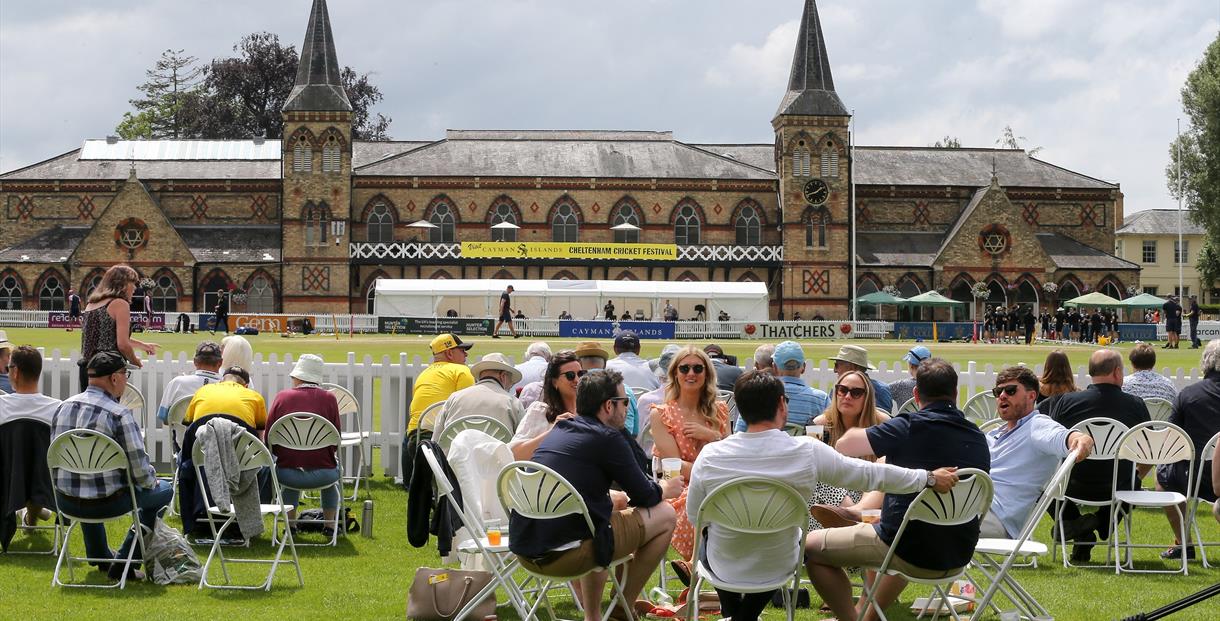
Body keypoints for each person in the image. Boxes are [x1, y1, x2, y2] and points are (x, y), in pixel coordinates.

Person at [688, 371, 957, 621]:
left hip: (725, 561)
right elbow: (870, 474)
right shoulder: (806, 450)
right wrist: (927, 477)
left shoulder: (711, 455)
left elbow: (695, 516)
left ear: (740, 408)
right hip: (781, 560)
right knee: (770, 548)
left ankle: (738, 614)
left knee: (710, 542)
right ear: (782, 405)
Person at [804, 358, 989, 621]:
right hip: (958, 552)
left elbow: (845, 445)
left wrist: (884, 429)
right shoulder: (977, 436)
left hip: (905, 548)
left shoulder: (907, 426)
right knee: (900, 526)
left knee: (811, 548)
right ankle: (868, 616)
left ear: (916, 394)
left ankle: (851, 618)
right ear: (956, 393)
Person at [508, 370, 682, 621]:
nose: (627, 408)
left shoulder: (563, 427)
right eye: (625, 402)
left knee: (610, 510)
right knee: (664, 515)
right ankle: (622, 608)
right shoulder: (607, 438)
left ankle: (595, 616)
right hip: (568, 554)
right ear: (609, 406)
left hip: (526, 550)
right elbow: (645, 496)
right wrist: (667, 488)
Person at [51, 351, 172, 582]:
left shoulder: (62, 407)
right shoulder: (119, 414)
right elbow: (141, 471)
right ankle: (125, 561)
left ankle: (100, 555)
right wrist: (152, 481)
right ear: (115, 378)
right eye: (126, 374)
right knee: (165, 490)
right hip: (109, 503)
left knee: (84, 478)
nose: (127, 380)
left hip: (66, 501)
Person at [1046, 349, 1151, 562]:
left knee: (1041, 482)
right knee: (1135, 482)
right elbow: (1148, 452)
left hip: (1071, 483)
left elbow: (1052, 441)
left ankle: (1076, 524)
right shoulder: (1135, 404)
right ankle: (1102, 522)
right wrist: (1137, 476)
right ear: (1117, 372)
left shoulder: (1066, 402)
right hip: (1118, 485)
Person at [980, 366, 1093, 540]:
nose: (1002, 395)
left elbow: (1062, 436)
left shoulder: (1036, 426)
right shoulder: (995, 434)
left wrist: (1079, 438)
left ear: (1032, 396)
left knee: (930, 522)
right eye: (998, 391)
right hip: (975, 506)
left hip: (996, 519)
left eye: (1010, 390)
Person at [651, 346, 729, 568]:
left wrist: (712, 435)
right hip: (677, 484)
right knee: (700, 500)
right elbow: (673, 465)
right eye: (684, 368)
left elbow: (731, 456)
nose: (691, 374)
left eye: (697, 368)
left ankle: (704, 565)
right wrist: (712, 469)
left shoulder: (720, 410)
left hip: (716, 481)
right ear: (675, 373)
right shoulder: (661, 414)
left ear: (707, 374)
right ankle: (699, 563)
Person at [1155, 339, 1220, 559]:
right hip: (1209, 476)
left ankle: (1184, 542)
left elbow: (1172, 438)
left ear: (1206, 362)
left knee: (1163, 477)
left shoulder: (1189, 394)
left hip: (1195, 477)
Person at [264, 354, 343, 534]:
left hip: (285, 474)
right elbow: (336, 438)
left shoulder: (282, 397)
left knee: (291, 472)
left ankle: (290, 526)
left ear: (298, 377)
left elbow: (269, 439)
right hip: (326, 474)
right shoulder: (329, 399)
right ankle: (330, 526)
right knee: (332, 478)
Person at [0, 345, 62, 532]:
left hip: (6, 480)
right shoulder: (58, 409)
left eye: (8, 368)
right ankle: (32, 515)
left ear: (16, 371)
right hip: (45, 483)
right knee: (34, 466)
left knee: (22, 465)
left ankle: (28, 514)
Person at [403, 334, 474, 488]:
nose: (466, 354)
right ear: (449, 353)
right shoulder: (462, 371)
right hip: (443, 441)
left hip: (415, 439)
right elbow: (468, 407)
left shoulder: (424, 374)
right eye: (462, 350)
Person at [77, 264, 158, 391]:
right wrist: (135, 360)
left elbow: (108, 337)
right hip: (108, 371)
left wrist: (143, 345)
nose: (135, 288)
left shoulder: (91, 304)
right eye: (133, 283)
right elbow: (122, 345)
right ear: (123, 284)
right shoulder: (120, 304)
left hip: (87, 369)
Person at [734, 341, 827, 432]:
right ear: (804, 367)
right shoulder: (821, 399)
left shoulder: (757, 393)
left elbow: (740, 432)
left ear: (774, 367)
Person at [510, 351, 581, 460]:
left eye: (581, 374)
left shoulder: (592, 412)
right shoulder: (540, 411)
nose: (577, 380)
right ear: (554, 382)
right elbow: (514, 454)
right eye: (570, 375)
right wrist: (553, 432)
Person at [437, 352, 524, 434]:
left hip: (456, 449)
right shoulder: (513, 402)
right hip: (496, 450)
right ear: (503, 376)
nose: (511, 385)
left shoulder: (454, 397)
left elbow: (437, 436)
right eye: (510, 380)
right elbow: (522, 437)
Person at [156, 341, 223, 424]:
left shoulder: (177, 383)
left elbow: (165, 419)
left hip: (182, 436)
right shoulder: (229, 389)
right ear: (220, 363)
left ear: (195, 361)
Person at [184, 365, 266, 430]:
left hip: (200, 448)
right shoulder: (255, 397)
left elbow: (188, 424)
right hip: (240, 449)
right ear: (246, 386)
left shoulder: (202, 391)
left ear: (221, 381)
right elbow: (260, 434)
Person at [829, 345, 893, 413]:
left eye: (837, 365)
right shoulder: (881, 389)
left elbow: (883, 420)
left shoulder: (880, 390)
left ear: (852, 367)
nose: (835, 370)